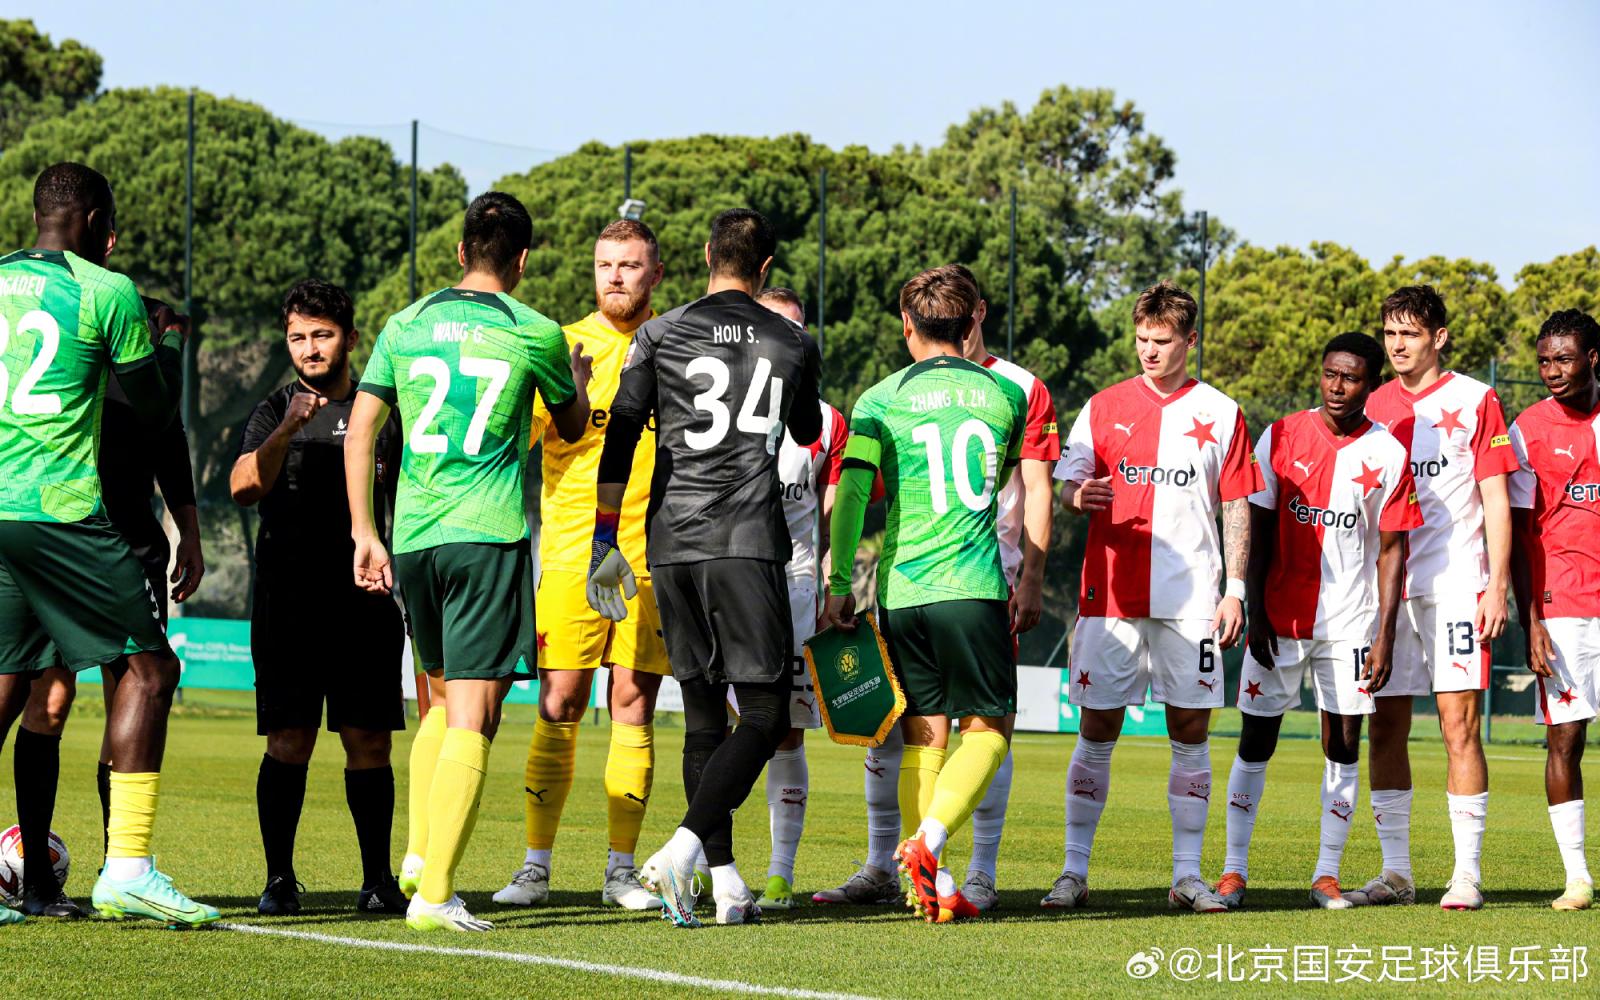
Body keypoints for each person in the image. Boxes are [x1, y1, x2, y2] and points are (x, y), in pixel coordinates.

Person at [346, 191, 589, 932]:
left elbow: (362, 430)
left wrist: (365, 531)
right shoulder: (537, 331)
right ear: (523, 260)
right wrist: (577, 381)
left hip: (414, 538)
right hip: (485, 536)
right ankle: (435, 893)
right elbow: (571, 427)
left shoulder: (405, 323)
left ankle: (420, 854)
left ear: (459, 253)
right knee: (475, 714)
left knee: (443, 697)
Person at [586, 208, 822, 928]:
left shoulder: (659, 333)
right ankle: (684, 849)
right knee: (765, 714)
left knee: (701, 718)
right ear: (766, 267)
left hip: (671, 542)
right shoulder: (792, 338)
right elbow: (808, 429)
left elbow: (620, 436)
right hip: (746, 539)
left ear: (707, 253)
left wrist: (603, 541)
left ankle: (724, 884)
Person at [0, 162, 216, 927]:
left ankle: (48, 885)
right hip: (63, 512)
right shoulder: (107, 291)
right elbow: (154, 411)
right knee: (152, 671)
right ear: (95, 221)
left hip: (2, 512)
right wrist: (159, 350)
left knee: (10, 689)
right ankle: (126, 870)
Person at [812, 268, 1058, 912]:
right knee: (989, 730)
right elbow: (1031, 488)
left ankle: (928, 883)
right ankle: (929, 843)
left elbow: (853, 496)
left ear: (907, 325)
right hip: (973, 586)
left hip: (901, 591)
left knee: (924, 737)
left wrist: (839, 581)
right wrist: (1032, 577)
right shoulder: (1007, 395)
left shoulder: (878, 399)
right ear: (971, 320)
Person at [1045, 280, 1259, 914]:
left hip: (1192, 600)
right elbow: (1065, 484)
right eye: (1141, 339)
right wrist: (1077, 496)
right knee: (1097, 728)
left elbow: (1237, 505)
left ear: (1190, 340)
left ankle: (1187, 875)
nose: (1149, 351)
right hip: (1110, 595)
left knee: (1190, 731)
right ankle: (1073, 871)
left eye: (1162, 340)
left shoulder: (1222, 412)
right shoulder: (1103, 405)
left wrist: (1235, 590)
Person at [492, 219, 667, 912]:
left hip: (649, 559)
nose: (615, 277)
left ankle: (621, 871)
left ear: (656, 273)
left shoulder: (674, 345)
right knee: (559, 702)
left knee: (633, 703)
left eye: (630, 265)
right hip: (570, 557)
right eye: (605, 265)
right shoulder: (561, 345)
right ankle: (535, 867)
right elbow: (519, 439)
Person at [1214, 332, 1422, 910]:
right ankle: (1233, 871)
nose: (1337, 386)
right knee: (1256, 739)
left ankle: (1326, 874)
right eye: (1330, 373)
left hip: (1350, 623)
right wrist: (1254, 608)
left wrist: (1385, 634)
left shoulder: (1388, 453)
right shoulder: (1280, 435)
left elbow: (1392, 551)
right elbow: (1255, 533)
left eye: (1351, 378)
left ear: (1371, 384)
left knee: (1344, 744)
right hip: (1280, 620)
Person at [230, 279, 408, 916]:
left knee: (370, 742)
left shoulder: (380, 413)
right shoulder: (273, 407)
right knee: (289, 741)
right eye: (297, 337)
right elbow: (243, 487)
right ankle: (279, 880)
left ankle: (378, 880)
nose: (309, 348)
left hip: (364, 601)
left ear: (350, 339)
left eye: (322, 335)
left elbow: (409, 493)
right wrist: (287, 429)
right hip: (287, 603)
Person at [1348, 285, 1517, 911]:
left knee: (1458, 725)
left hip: (1455, 585)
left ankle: (1466, 874)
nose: (1397, 345)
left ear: (1438, 337)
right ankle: (1396, 873)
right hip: (1383, 593)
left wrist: (1496, 585)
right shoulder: (1372, 403)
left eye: (1410, 333)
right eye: (1390, 333)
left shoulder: (1476, 399)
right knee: (1385, 727)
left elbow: (1496, 498)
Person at [744, 286, 849, 911]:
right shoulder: (725, 406)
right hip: (732, 582)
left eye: (797, 329)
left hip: (796, 588)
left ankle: (780, 874)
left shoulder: (827, 422)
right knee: (720, 726)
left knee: (786, 732)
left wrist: (836, 587)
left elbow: (833, 517)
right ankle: (705, 861)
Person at [1507, 308, 1600, 912]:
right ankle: (1578, 878)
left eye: (1563, 359)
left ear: (1593, 358)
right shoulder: (1526, 430)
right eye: (1543, 361)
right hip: (1563, 604)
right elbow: (1518, 533)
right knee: (1565, 738)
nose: (1552, 371)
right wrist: (1531, 620)